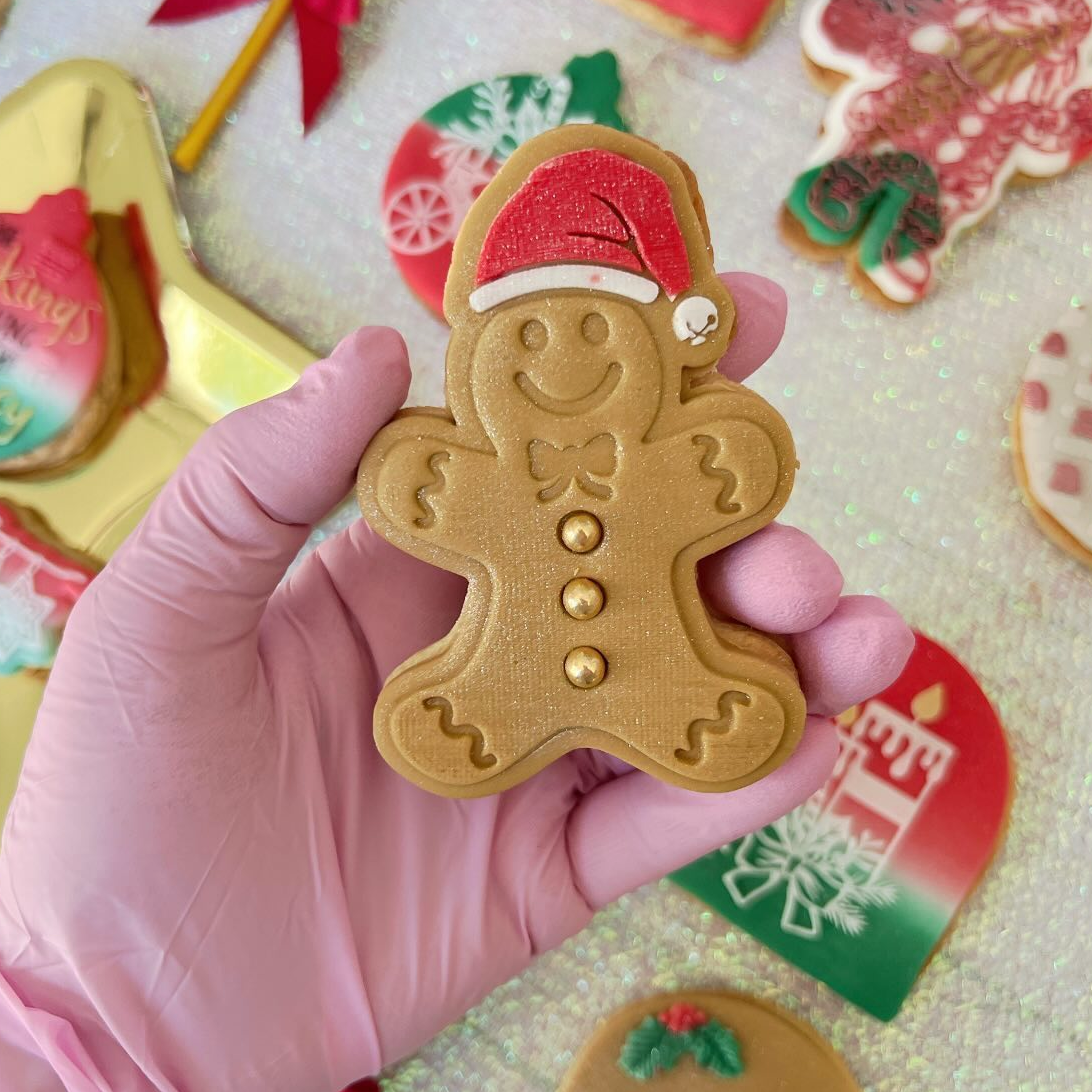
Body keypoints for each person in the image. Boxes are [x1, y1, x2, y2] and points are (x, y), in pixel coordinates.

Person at [0, 275, 912, 1092]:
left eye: (597, 334)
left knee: (725, 677)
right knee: (478, 707)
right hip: (491, 680)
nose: (563, 356)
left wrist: (68, 1015)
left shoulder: (655, 444)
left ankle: (700, 705)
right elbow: (419, 477)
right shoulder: (468, 469)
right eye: (534, 337)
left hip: (656, 658)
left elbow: (727, 465)